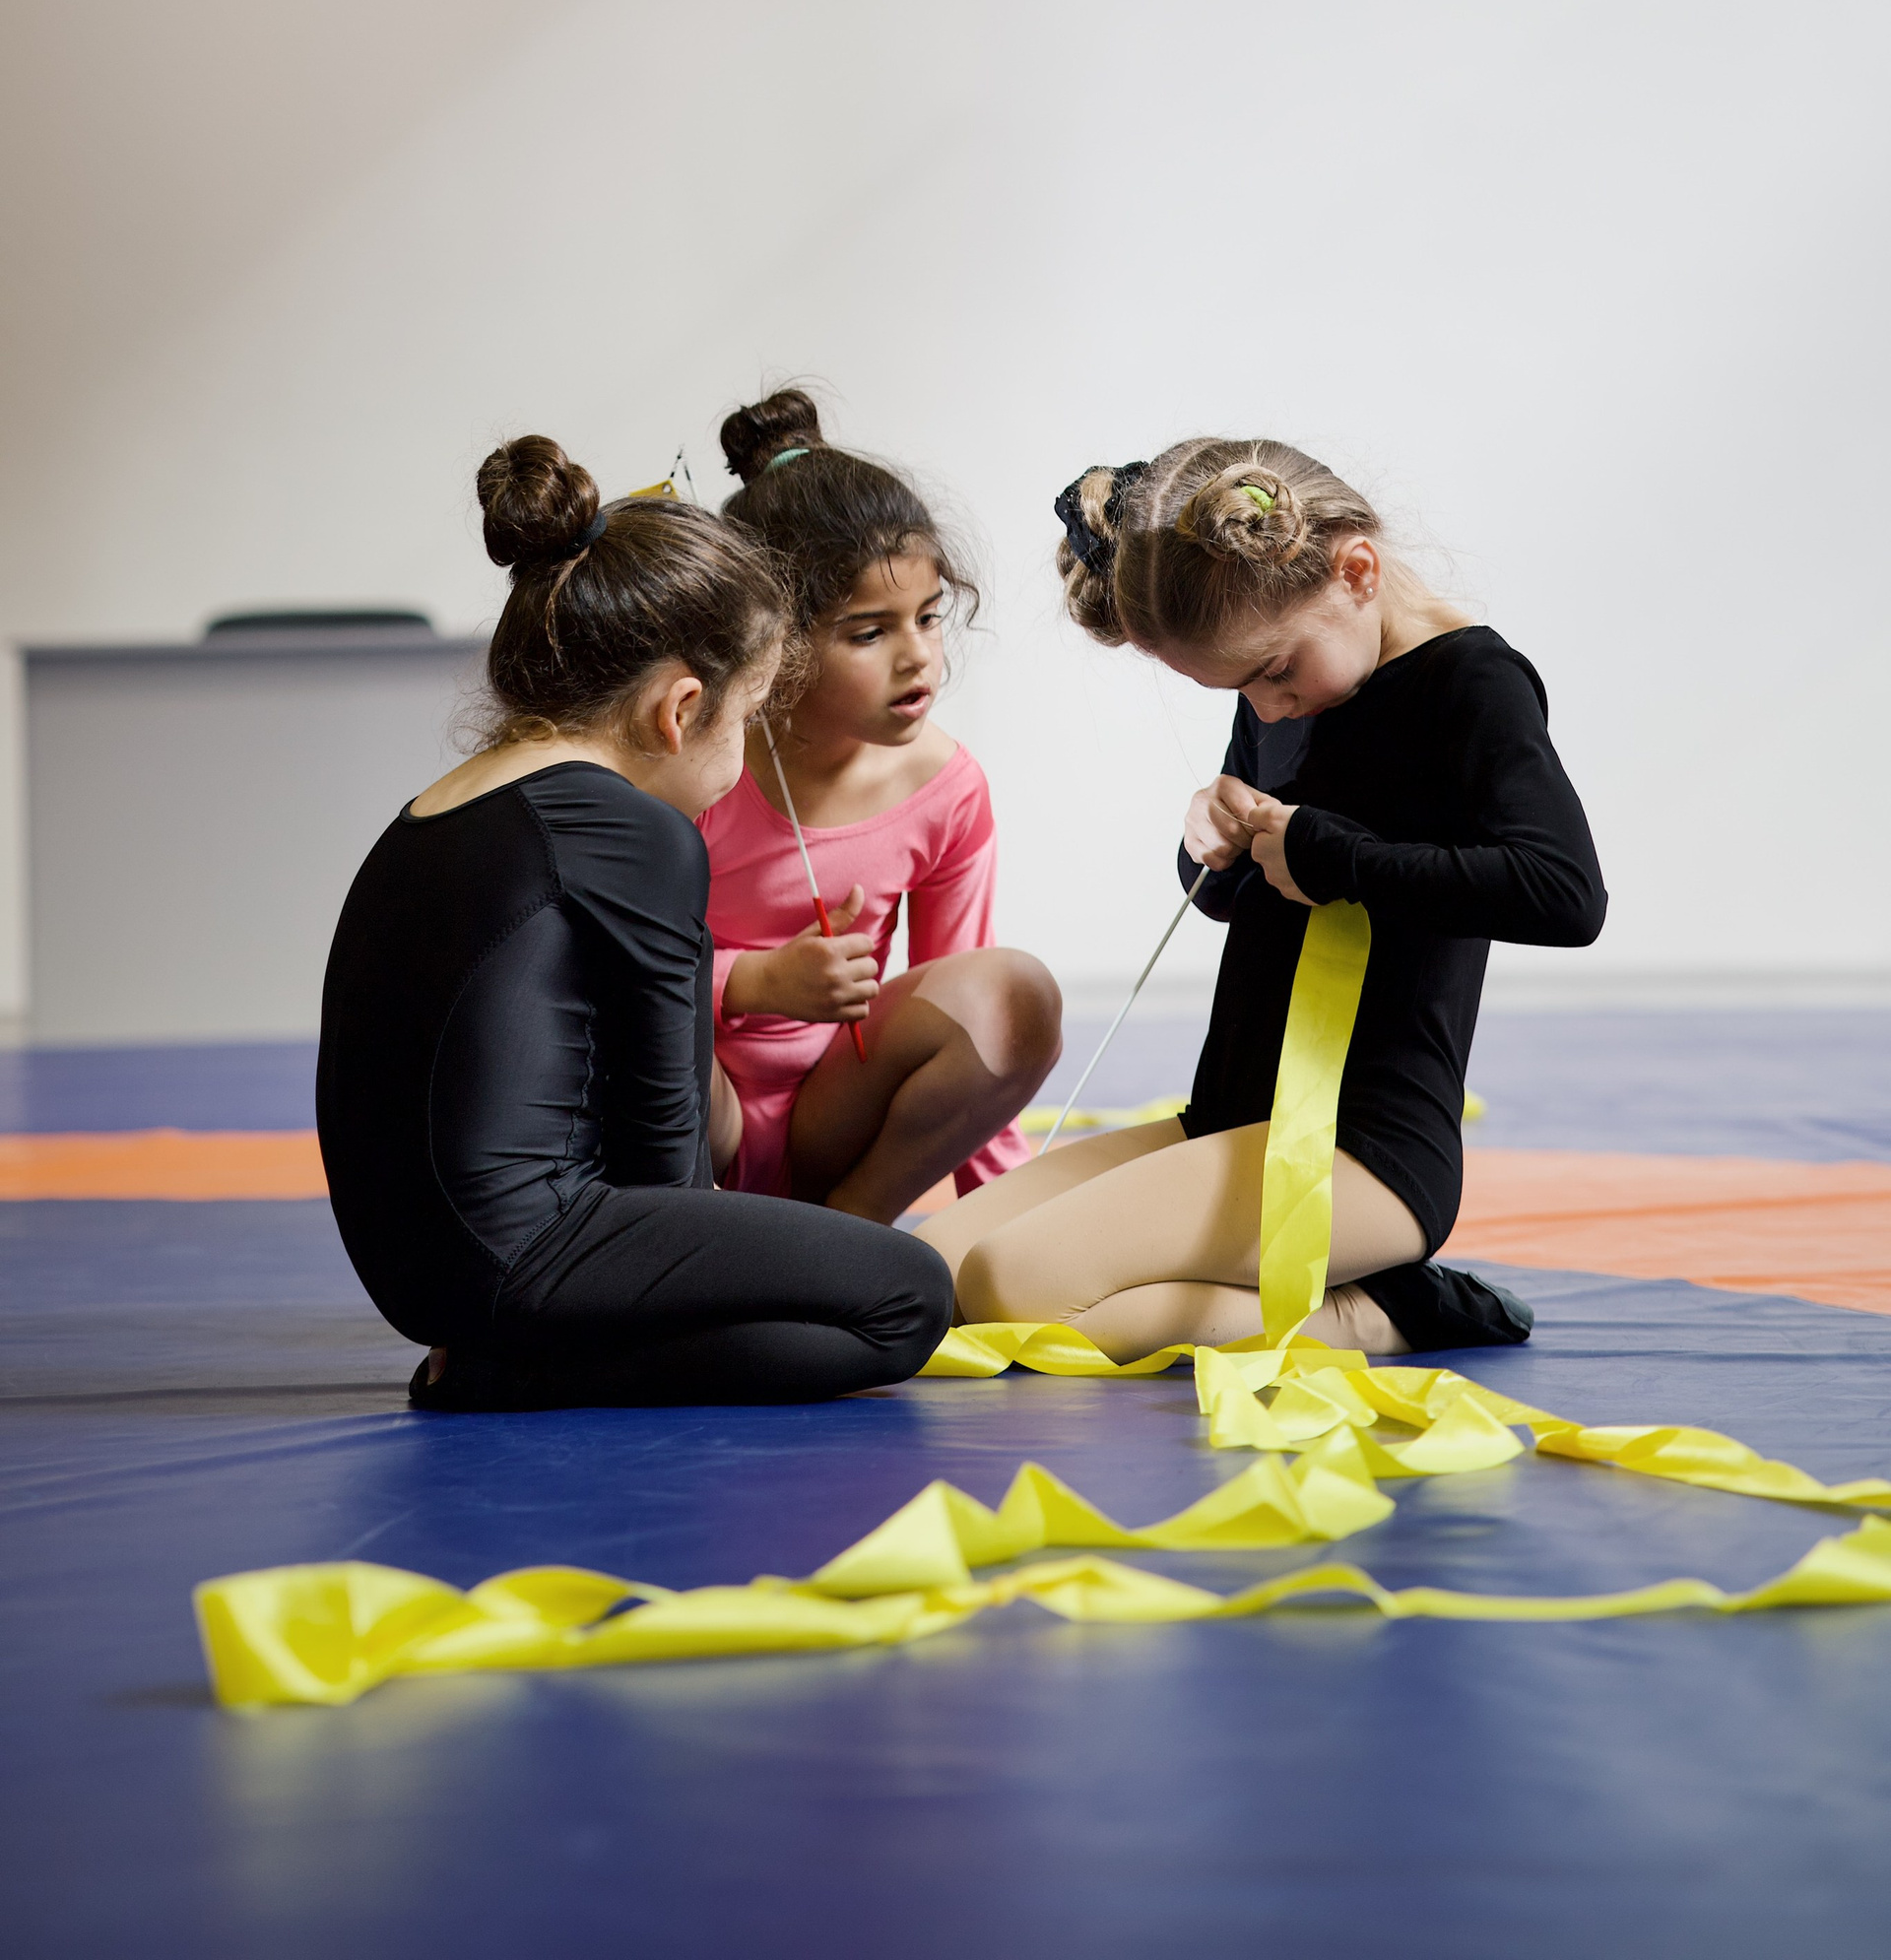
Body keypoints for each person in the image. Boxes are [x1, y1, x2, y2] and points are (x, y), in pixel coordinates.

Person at [918, 438, 1605, 1358]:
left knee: (1015, 1288)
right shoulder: (1289, 686)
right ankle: (1285, 1279)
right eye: (1240, 688)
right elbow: (1242, 894)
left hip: (1362, 1149)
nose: (1269, 706)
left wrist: (1332, 854)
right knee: (936, 1272)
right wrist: (1211, 841)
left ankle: (1391, 1308)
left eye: (1275, 672)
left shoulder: (1471, 683)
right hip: (1233, 1116)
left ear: (1355, 571)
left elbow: (1565, 893)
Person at [316, 434, 951, 1409]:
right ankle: (509, 1372)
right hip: (526, 1260)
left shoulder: (434, 811)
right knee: (907, 1296)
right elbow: (667, 1153)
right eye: (747, 715)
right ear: (680, 709)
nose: (743, 749)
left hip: (415, 1279)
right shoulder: (639, 834)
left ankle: (501, 1352)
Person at [703, 389, 1062, 1223]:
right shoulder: (700, 769)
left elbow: (968, 1008)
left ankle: (851, 1233)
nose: (918, 658)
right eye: (869, 633)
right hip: (691, 1112)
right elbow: (618, 972)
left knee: (1015, 994)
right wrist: (756, 981)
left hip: (833, 1121)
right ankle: (693, 1235)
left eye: (928, 619)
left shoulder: (947, 788)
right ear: (774, 641)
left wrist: (1002, 1222)